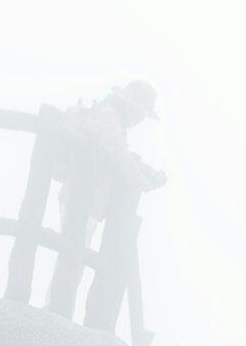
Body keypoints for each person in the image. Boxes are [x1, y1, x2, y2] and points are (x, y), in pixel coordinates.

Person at [57, 81, 166, 235]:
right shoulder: (108, 116)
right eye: (142, 112)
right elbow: (118, 154)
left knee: (74, 252)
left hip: (84, 199)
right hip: (80, 198)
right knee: (73, 251)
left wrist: (149, 171)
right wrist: (145, 183)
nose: (142, 119)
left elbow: (120, 152)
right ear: (130, 105)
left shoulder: (112, 117)